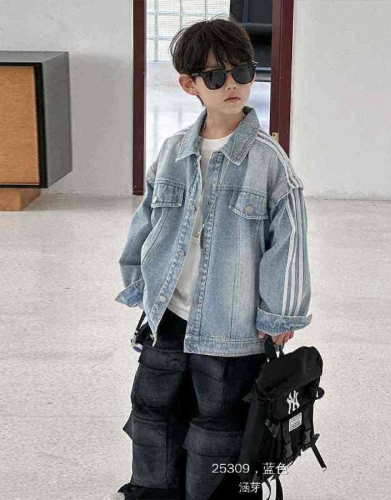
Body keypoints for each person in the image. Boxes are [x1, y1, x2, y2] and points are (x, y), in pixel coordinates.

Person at [107, 15, 313, 500]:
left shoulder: (269, 162)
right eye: (216, 76)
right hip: (167, 315)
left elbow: (289, 242)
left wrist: (279, 314)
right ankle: (151, 492)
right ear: (189, 85)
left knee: (218, 425)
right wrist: (139, 284)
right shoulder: (173, 151)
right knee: (152, 414)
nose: (233, 85)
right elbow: (147, 222)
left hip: (232, 326)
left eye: (243, 71)